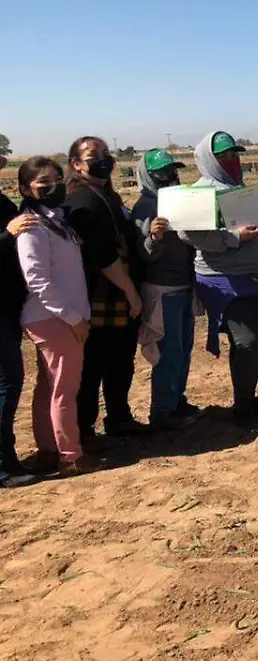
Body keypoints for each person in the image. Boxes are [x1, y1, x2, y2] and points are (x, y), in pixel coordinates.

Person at [181, 131, 258, 429]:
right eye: (224, 156)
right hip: (226, 281)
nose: (232, 160)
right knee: (249, 342)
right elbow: (189, 234)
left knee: (249, 344)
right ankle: (243, 408)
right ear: (208, 159)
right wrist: (233, 238)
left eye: (235, 154)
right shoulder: (200, 192)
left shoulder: (239, 187)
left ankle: (247, 399)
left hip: (257, 280)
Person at [14, 157, 100, 476]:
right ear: (26, 189)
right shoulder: (32, 226)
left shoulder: (55, 220)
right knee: (65, 388)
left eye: (57, 180)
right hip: (54, 319)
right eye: (43, 183)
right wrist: (73, 317)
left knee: (48, 387)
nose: (53, 187)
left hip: (57, 316)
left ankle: (50, 449)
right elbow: (36, 278)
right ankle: (71, 456)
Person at [62, 136, 148, 439]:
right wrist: (130, 291)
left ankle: (119, 417)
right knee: (93, 366)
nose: (103, 161)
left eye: (105, 154)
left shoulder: (106, 196)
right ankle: (84, 430)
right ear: (76, 165)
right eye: (92, 156)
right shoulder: (82, 200)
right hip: (99, 295)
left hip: (115, 295)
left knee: (120, 362)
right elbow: (102, 255)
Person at [132, 149, 204, 429]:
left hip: (184, 284)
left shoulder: (179, 200)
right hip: (162, 288)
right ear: (148, 175)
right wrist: (154, 237)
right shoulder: (146, 207)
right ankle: (162, 411)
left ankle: (177, 401)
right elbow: (143, 255)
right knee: (168, 353)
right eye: (162, 172)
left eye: (173, 170)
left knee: (183, 350)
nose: (170, 176)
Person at [0, 164, 39, 486]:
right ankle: (4, 465)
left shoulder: (2, 202)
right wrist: (7, 234)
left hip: (9, 304)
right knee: (7, 382)